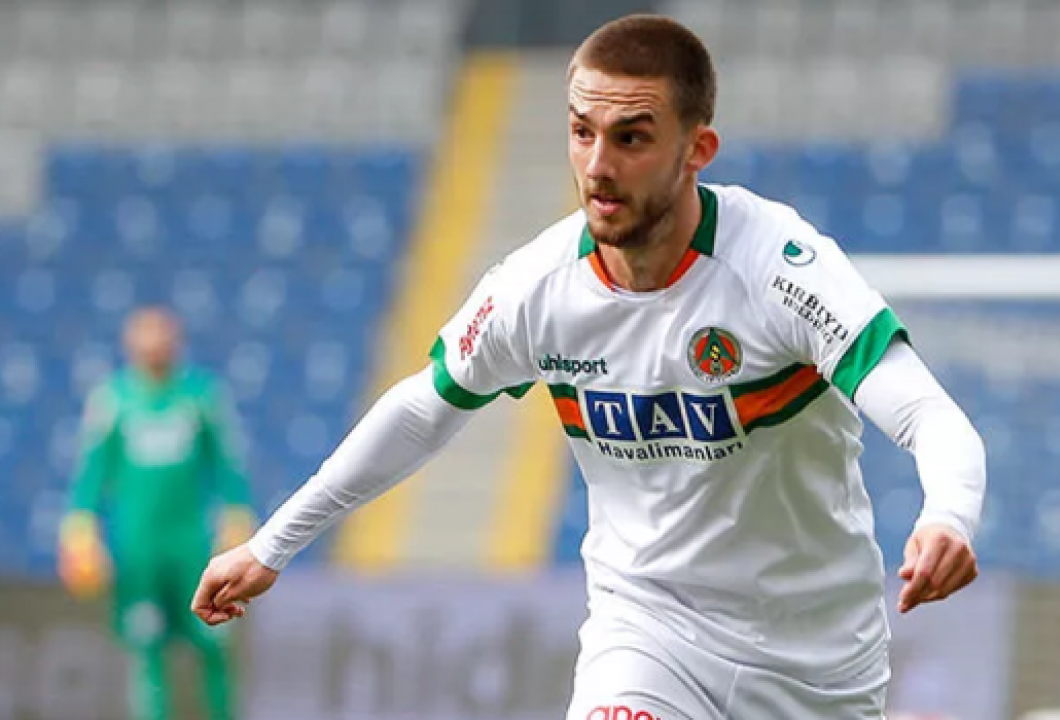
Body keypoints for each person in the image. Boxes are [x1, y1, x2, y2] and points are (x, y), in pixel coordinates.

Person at [191, 14, 986, 720]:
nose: (598, 165)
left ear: (698, 149)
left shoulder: (780, 268)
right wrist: (271, 545)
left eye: (631, 138)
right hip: (648, 634)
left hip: (818, 663)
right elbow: (423, 409)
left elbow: (928, 414)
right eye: (581, 132)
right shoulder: (538, 287)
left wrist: (948, 514)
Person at [60, 306, 255, 720]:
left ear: (176, 342)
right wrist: (80, 529)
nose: (154, 347)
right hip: (137, 548)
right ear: (129, 345)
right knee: (146, 647)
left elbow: (226, 463)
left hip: (193, 546)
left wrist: (237, 514)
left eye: (162, 337)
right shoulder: (112, 400)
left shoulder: (201, 395)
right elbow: (91, 472)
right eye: (144, 338)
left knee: (213, 644)